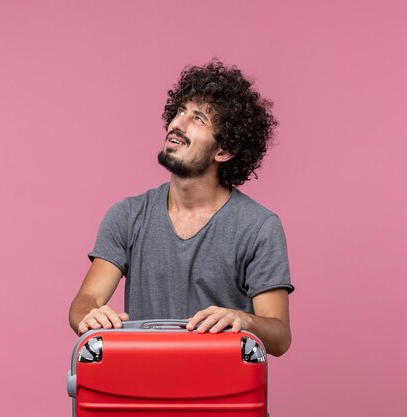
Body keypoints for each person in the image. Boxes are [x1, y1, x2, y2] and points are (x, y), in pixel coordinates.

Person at [69, 60, 294, 356]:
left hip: (221, 397)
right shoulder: (127, 215)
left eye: (198, 118)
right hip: (141, 392)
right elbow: (85, 300)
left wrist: (244, 320)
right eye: (179, 111)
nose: (178, 123)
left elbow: (279, 336)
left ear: (224, 151)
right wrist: (91, 314)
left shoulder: (258, 227)